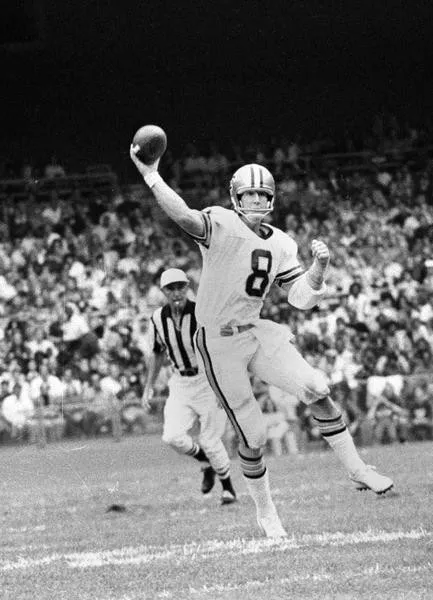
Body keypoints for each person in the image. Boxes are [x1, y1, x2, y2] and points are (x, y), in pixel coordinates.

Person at [130, 145, 393, 538]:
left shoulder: (282, 243)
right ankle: (266, 513)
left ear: (271, 199)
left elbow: (300, 299)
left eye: (262, 194)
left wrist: (319, 269)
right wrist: (151, 173)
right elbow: (183, 213)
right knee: (252, 436)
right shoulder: (218, 223)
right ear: (235, 198)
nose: (256, 200)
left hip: (255, 330)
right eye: (249, 194)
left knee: (317, 388)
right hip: (217, 343)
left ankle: (358, 469)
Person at [141, 268, 237, 506]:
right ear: (163, 291)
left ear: (187, 288)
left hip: (207, 381)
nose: (176, 293)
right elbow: (156, 352)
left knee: (210, 439)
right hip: (180, 382)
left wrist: (221, 384)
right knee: (172, 436)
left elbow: (220, 344)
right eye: (170, 288)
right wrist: (148, 387)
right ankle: (206, 463)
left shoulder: (201, 312)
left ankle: (228, 488)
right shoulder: (157, 318)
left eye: (180, 287)